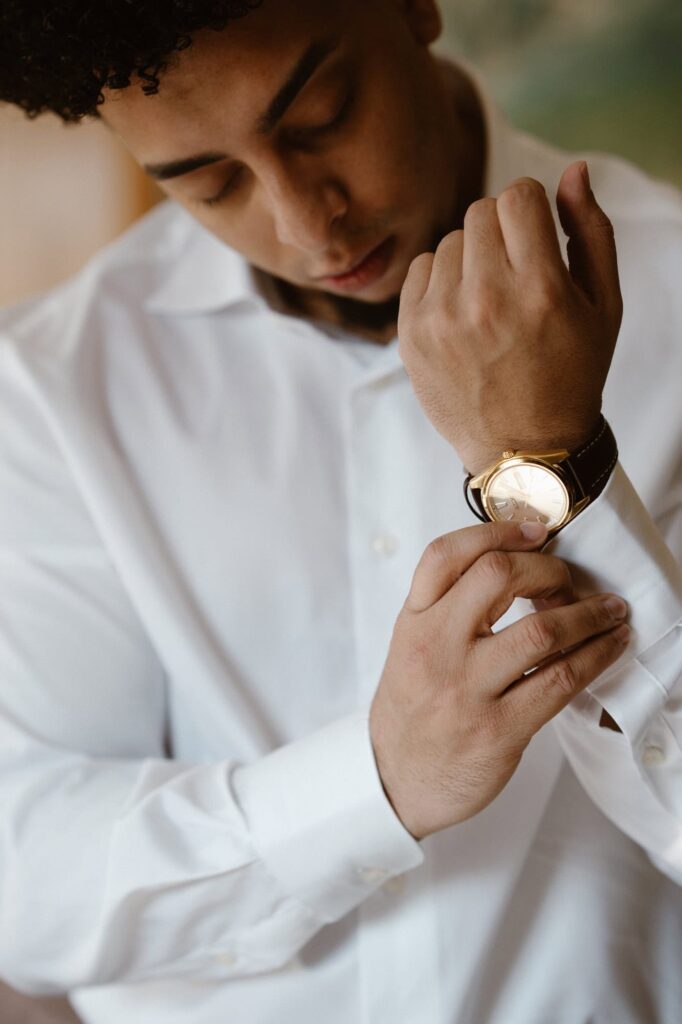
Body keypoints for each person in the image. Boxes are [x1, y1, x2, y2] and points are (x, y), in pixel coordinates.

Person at [0, 2, 680, 1022]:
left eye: (320, 115)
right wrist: (378, 782)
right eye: (209, 182)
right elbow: (28, 882)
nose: (304, 222)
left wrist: (548, 458)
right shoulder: (55, 391)